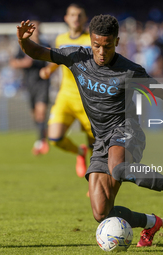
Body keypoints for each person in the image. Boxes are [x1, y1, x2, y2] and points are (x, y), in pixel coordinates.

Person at [16, 15, 163, 247]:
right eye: (96, 46)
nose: (101, 52)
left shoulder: (130, 70)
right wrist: (23, 41)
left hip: (127, 130)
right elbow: (38, 52)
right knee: (101, 213)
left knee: (119, 169)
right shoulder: (76, 57)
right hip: (101, 139)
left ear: (117, 41)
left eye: (107, 45)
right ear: (91, 41)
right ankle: (152, 222)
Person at [39, 4, 94, 178]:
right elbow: (59, 58)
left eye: (79, 15)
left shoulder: (91, 40)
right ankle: (79, 151)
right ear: (66, 18)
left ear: (85, 19)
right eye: (72, 15)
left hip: (88, 99)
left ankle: (95, 186)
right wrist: (49, 69)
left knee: (96, 147)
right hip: (66, 96)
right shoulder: (61, 39)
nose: (76, 18)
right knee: (54, 138)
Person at [10, 20, 50, 155]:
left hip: (43, 83)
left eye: (38, 28)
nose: (36, 30)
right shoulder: (23, 45)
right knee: (35, 115)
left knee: (41, 112)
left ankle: (41, 141)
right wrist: (24, 63)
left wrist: (48, 70)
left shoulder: (45, 45)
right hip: (29, 83)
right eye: (34, 28)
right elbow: (14, 63)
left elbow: (53, 60)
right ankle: (42, 133)